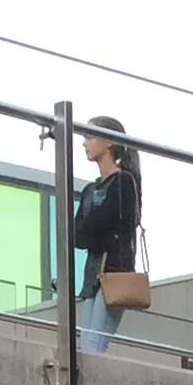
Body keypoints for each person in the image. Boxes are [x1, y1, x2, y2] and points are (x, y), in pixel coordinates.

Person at [71, 116, 142, 355]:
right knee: (86, 345)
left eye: (90, 137)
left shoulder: (124, 182)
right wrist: (97, 230)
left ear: (109, 142)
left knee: (94, 345)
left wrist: (93, 229)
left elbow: (115, 223)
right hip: (93, 274)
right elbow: (79, 234)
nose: (84, 143)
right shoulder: (90, 189)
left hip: (114, 270)